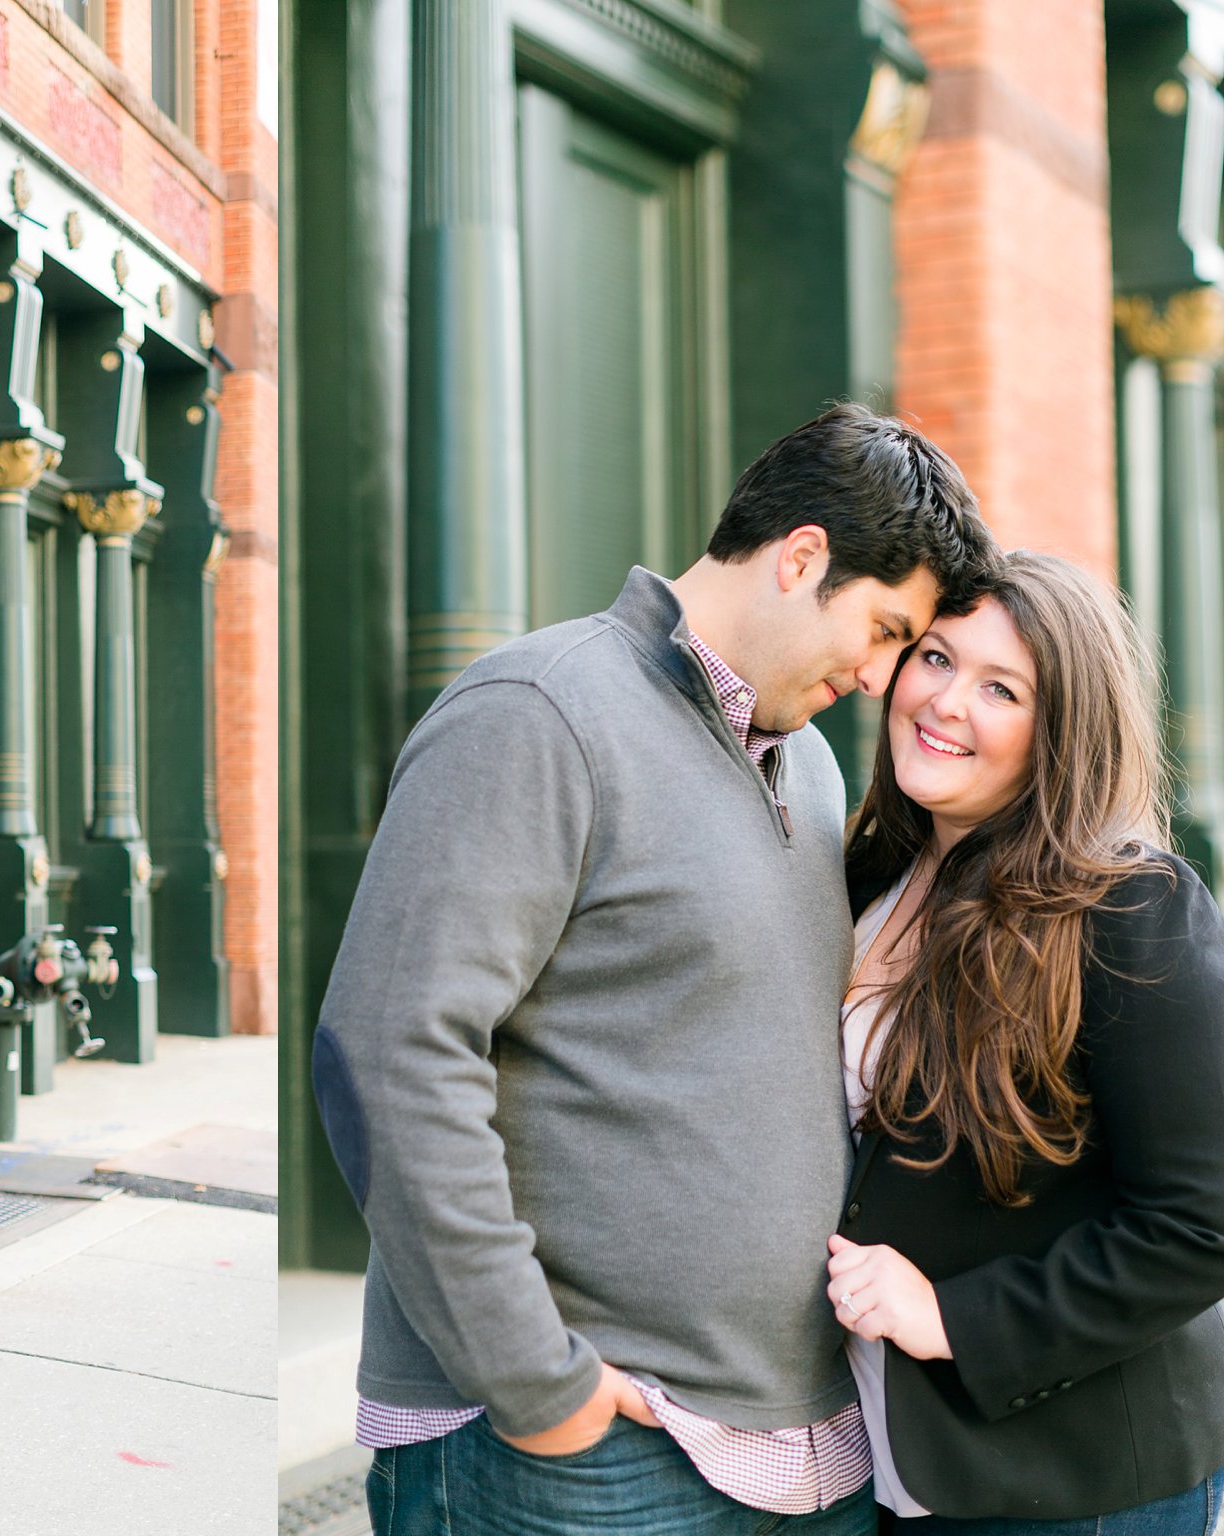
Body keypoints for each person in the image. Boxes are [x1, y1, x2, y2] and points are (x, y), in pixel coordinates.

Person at [312, 403, 1002, 1535]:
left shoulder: (815, 771)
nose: (884, 679)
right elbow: (387, 1054)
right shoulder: (537, 714)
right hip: (582, 1457)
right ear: (800, 557)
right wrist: (540, 1387)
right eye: (882, 631)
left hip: (799, 1450)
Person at [827, 551, 1224, 1530]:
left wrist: (953, 1320)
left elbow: (1202, 1228)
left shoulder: (1127, 907)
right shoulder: (864, 873)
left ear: (1057, 731)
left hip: (1081, 1475)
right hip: (896, 1455)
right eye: (934, 658)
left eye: (999, 688)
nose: (942, 702)